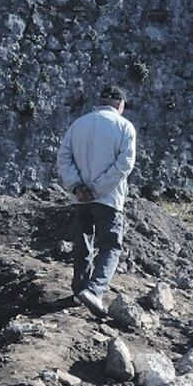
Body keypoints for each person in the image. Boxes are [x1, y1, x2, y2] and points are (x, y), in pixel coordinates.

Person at [56, 85, 137, 317]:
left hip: (81, 198)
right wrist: (98, 189)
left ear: (100, 101)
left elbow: (63, 157)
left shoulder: (78, 125)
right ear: (120, 104)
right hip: (109, 197)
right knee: (110, 245)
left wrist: (78, 187)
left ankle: (79, 290)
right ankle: (94, 290)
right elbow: (125, 164)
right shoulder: (124, 127)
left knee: (83, 243)